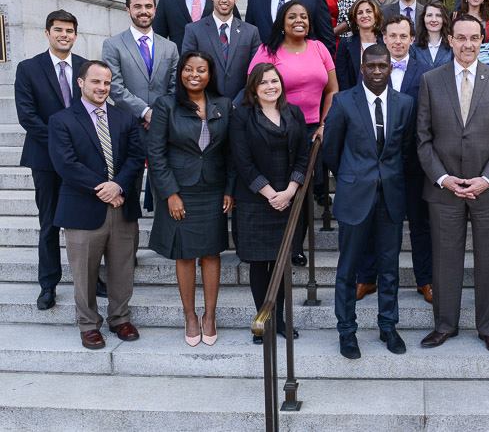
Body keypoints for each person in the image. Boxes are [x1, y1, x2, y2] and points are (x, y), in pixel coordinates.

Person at [417, 15, 489, 354]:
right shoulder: (431, 80)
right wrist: (444, 179)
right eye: (461, 38)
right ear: (450, 39)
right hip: (444, 190)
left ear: (482, 39)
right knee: (445, 260)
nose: (467, 44)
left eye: (474, 38)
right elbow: (423, 139)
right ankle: (444, 325)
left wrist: (486, 179)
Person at [323, 44, 415, 359]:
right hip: (354, 195)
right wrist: (352, 176)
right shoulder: (343, 101)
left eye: (383, 66)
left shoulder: (405, 104)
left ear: (391, 68)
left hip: (390, 197)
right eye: (371, 66)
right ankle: (346, 331)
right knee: (348, 268)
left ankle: (388, 326)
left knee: (389, 267)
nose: (377, 71)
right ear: (362, 68)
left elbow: (405, 151)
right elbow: (331, 151)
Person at [48, 61, 145, 350]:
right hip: (82, 209)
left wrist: (118, 185)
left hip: (122, 207)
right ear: (81, 83)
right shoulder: (62, 120)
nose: (102, 88)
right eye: (96, 82)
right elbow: (66, 164)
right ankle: (89, 324)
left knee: (122, 269)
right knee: (85, 274)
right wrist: (102, 188)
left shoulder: (124, 118)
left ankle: (120, 318)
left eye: (106, 83)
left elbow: (136, 157)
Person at [147, 51, 235, 347]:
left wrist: (230, 189)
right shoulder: (166, 105)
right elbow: (156, 154)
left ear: (210, 74)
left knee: (211, 254)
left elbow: (231, 153)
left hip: (213, 189)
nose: (194, 75)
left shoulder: (223, 105)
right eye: (188, 69)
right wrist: (170, 193)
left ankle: (210, 315)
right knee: (185, 255)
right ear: (180, 73)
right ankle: (189, 315)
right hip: (180, 191)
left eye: (201, 70)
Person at [248, 1, 338, 266]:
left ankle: (296, 246)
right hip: (277, 129)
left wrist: (324, 123)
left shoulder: (319, 48)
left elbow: (333, 89)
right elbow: (253, 87)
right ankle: (277, 242)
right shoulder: (267, 50)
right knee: (280, 187)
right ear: (282, 22)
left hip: (312, 130)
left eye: (304, 16)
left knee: (304, 190)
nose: (299, 20)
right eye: (292, 16)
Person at [15, 10, 89, 310]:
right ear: (47, 33)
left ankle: (91, 279)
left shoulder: (86, 67)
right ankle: (48, 284)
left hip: (83, 160)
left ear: (75, 34)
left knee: (86, 224)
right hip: (44, 159)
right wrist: (62, 143)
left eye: (69, 31)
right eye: (58, 30)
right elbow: (27, 116)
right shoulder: (29, 68)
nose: (64, 35)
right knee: (48, 224)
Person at [356, 15, 432, 303]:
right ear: (383, 39)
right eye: (393, 36)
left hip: (414, 164)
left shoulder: (427, 72)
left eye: (404, 36)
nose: (398, 41)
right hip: (376, 164)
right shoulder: (368, 70)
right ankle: (366, 278)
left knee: (419, 224)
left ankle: (425, 280)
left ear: (412, 39)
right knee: (372, 222)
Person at [230, 63, 309, 342]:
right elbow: (242, 160)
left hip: (288, 200)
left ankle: (280, 320)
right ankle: (262, 319)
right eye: (263, 82)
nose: (270, 86)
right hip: (255, 201)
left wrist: (289, 191)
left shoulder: (294, 113)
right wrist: (269, 194)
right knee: (259, 265)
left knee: (282, 263)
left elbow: (304, 155)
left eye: (274, 81)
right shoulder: (242, 117)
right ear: (253, 87)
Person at [105, 0, 179, 128]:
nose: (144, 11)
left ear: (155, 10)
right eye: (137, 6)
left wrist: (158, 114)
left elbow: (175, 86)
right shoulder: (113, 45)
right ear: (128, 10)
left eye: (148, 6)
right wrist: (145, 112)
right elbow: (114, 86)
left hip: (164, 122)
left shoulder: (170, 47)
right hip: (127, 122)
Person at [182, 0, 261, 100]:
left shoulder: (251, 32)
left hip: (241, 106)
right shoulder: (193, 30)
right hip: (205, 105)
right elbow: (189, 72)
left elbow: (256, 73)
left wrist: (238, 103)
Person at [335, 0, 383, 91]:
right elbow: (342, 76)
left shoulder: (385, 42)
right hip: (353, 96)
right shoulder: (346, 44)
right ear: (355, 19)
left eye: (368, 11)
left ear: (376, 16)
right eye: (360, 13)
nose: (364, 15)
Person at [410, 0, 453, 70]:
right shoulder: (414, 48)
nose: (434, 19)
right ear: (423, 18)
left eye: (438, 15)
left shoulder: (451, 47)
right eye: (429, 15)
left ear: (444, 19)